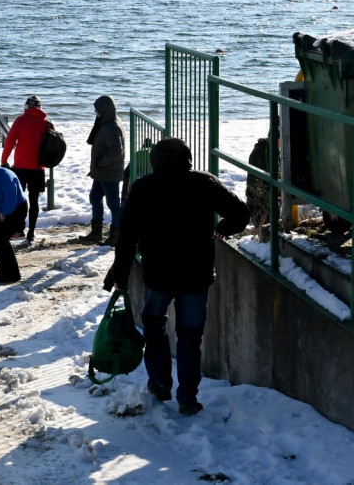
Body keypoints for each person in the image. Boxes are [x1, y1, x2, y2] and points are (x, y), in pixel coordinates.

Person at [104, 137, 250, 416]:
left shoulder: (144, 187)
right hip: (197, 275)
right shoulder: (205, 182)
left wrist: (120, 272)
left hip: (158, 274)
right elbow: (241, 214)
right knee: (190, 336)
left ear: (155, 162)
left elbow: (127, 235)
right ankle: (187, 398)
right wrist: (224, 228)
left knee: (153, 325)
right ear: (188, 158)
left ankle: (159, 384)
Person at [1, 94, 53, 243]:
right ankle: (31, 233)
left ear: (27, 107)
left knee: (19, 200)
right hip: (38, 168)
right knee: (34, 201)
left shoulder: (20, 121)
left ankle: (19, 229)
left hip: (20, 167)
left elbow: (10, 141)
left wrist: (4, 161)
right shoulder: (47, 124)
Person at [83, 95, 125, 246]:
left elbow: (117, 151)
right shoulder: (106, 122)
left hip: (109, 172)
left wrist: (100, 163)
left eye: (97, 109)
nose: (95, 112)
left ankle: (115, 235)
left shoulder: (111, 126)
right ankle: (96, 232)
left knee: (114, 204)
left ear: (105, 110)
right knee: (95, 197)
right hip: (102, 172)